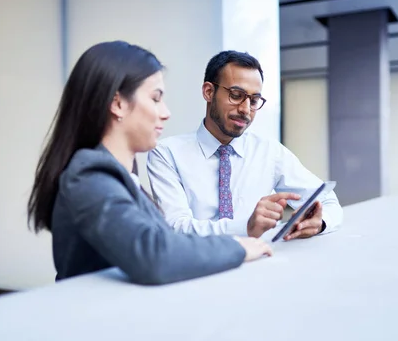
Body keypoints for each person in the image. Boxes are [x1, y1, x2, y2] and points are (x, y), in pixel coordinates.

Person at [27, 41, 272, 286]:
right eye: (155, 99)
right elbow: (154, 254)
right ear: (118, 104)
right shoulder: (89, 175)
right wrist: (238, 247)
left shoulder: (120, 177)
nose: (166, 113)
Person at [147, 50, 343, 240]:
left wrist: (319, 223)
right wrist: (246, 227)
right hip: (201, 269)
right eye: (236, 95)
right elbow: (176, 228)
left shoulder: (269, 151)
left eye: (254, 100)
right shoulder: (166, 154)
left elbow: (327, 201)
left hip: (260, 265)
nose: (245, 110)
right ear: (208, 92)